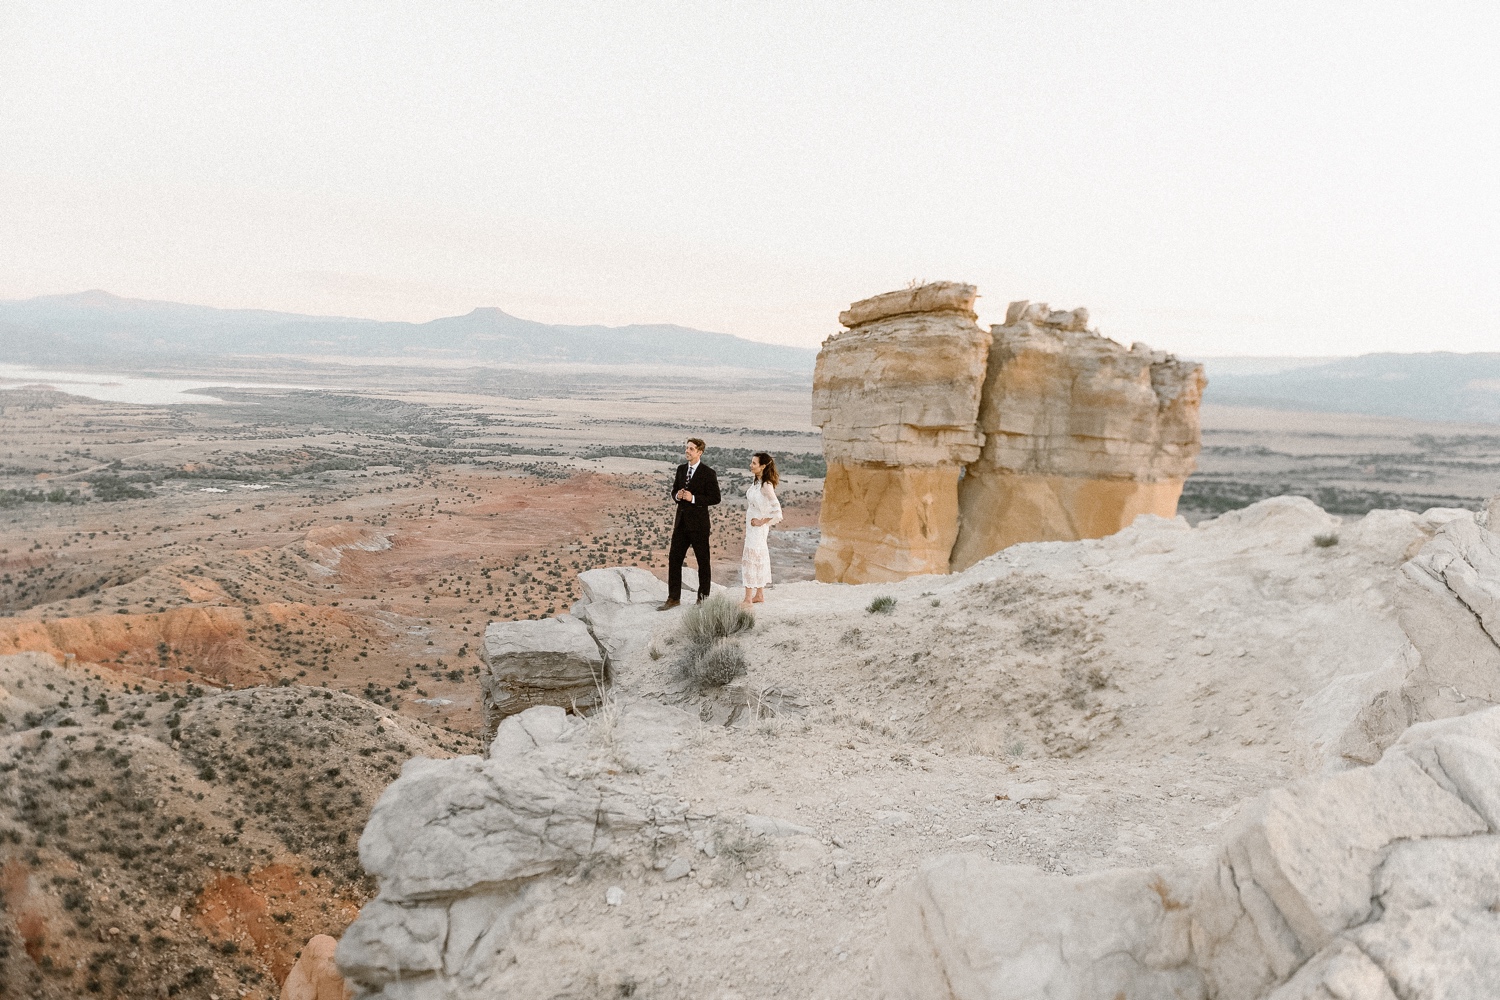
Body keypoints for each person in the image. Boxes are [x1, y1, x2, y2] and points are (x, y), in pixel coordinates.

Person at [659, 437, 721, 610]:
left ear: (699, 452)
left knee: (703, 562)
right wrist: (676, 496)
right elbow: (674, 490)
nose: (687, 451)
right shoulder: (680, 470)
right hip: (681, 524)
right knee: (674, 559)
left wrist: (692, 498)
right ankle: (673, 598)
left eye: (691, 449)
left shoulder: (708, 473)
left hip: (699, 526)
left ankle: (703, 599)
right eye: (687, 448)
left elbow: (715, 498)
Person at [740, 452, 783, 605]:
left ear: (763, 466)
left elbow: (777, 511)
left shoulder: (766, 485)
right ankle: (759, 595)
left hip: (757, 528)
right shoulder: (757, 482)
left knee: (752, 558)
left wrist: (762, 521)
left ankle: (747, 599)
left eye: (754, 463)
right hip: (751, 527)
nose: (751, 465)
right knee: (757, 557)